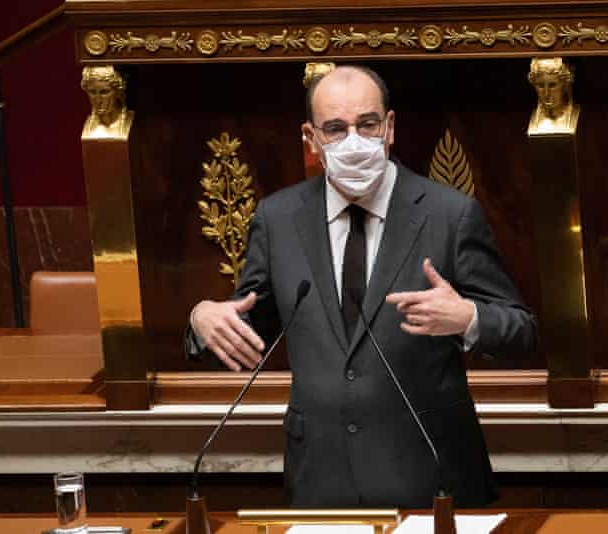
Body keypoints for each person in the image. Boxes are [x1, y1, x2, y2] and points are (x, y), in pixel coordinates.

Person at [186, 65, 537, 508]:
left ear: (389, 127)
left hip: (430, 474)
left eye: (367, 124)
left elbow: (522, 332)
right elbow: (249, 324)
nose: (354, 141)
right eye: (335, 129)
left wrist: (469, 318)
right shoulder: (277, 219)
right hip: (321, 477)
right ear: (311, 138)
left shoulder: (450, 214)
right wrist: (202, 318)